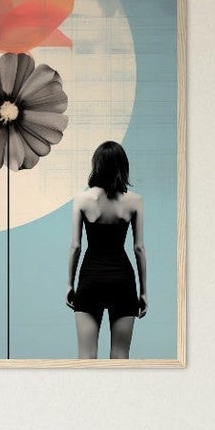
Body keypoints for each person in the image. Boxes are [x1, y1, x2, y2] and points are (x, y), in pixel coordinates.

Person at [65, 141, 147, 360]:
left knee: (86, 357)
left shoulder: (82, 200)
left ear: (96, 165)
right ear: (123, 166)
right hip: (122, 280)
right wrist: (143, 291)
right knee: (120, 357)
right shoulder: (135, 201)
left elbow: (76, 246)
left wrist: (70, 284)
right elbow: (138, 248)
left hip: (91, 278)